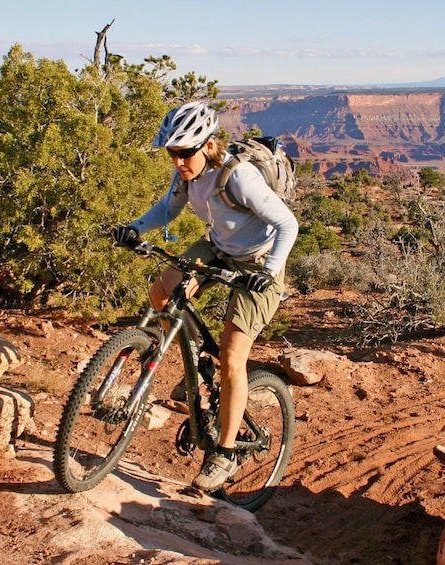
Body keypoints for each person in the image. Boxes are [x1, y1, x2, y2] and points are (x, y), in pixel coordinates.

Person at [112, 100, 299, 491]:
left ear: (207, 145)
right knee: (162, 292)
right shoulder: (186, 176)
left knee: (233, 355)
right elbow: (168, 208)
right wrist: (134, 228)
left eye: (184, 153)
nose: (178, 162)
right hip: (217, 246)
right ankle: (195, 361)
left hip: (259, 261)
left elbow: (287, 224)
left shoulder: (238, 177)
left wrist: (266, 273)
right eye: (172, 154)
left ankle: (226, 453)